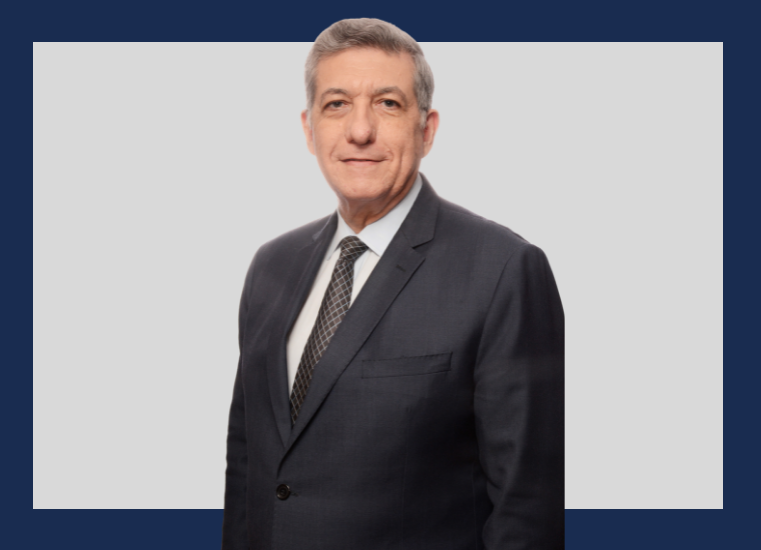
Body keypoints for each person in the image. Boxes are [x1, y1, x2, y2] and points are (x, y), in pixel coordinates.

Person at [222, 18, 564, 550]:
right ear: (310, 129)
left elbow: (527, 508)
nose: (360, 130)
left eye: (387, 103)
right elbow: (248, 466)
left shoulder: (503, 271)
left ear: (426, 130)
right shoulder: (272, 266)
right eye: (337, 104)